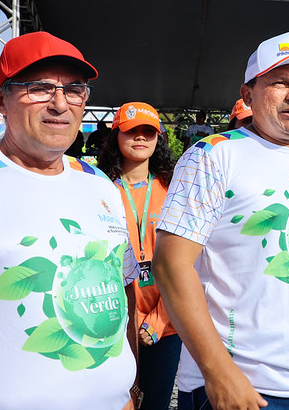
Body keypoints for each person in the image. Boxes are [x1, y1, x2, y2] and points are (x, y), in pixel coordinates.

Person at [153, 31, 289, 410]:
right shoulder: (212, 156)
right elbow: (171, 264)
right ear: (248, 94)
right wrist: (218, 372)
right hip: (240, 390)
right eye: (280, 82)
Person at [0, 31, 140, 408]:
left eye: (74, 90)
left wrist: (129, 390)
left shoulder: (100, 184)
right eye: (39, 88)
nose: (60, 104)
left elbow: (122, 294)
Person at [98, 101, 181, 410]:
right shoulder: (100, 189)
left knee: (156, 403)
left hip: (166, 324)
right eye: (132, 131)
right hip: (115, 322)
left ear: (159, 138)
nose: (141, 138)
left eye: (149, 132)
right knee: (119, 401)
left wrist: (158, 321)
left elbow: (189, 262)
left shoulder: (174, 189)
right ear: (116, 135)